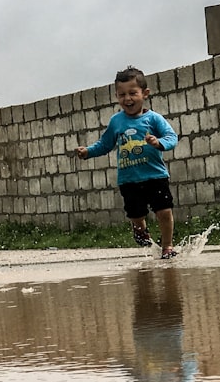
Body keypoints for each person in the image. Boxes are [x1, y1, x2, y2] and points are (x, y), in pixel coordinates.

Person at [75, 66, 180, 259]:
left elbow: (172, 137)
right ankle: (140, 229)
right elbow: (105, 144)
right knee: (135, 215)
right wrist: (88, 151)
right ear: (116, 96)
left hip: (155, 176)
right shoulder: (117, 121)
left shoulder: (154, 118)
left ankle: (168, 246)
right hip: (129, 180)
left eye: (133, 93)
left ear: (145, 94)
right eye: (122, 95)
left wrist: (159, 143)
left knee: (164, 211)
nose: (127, 99)